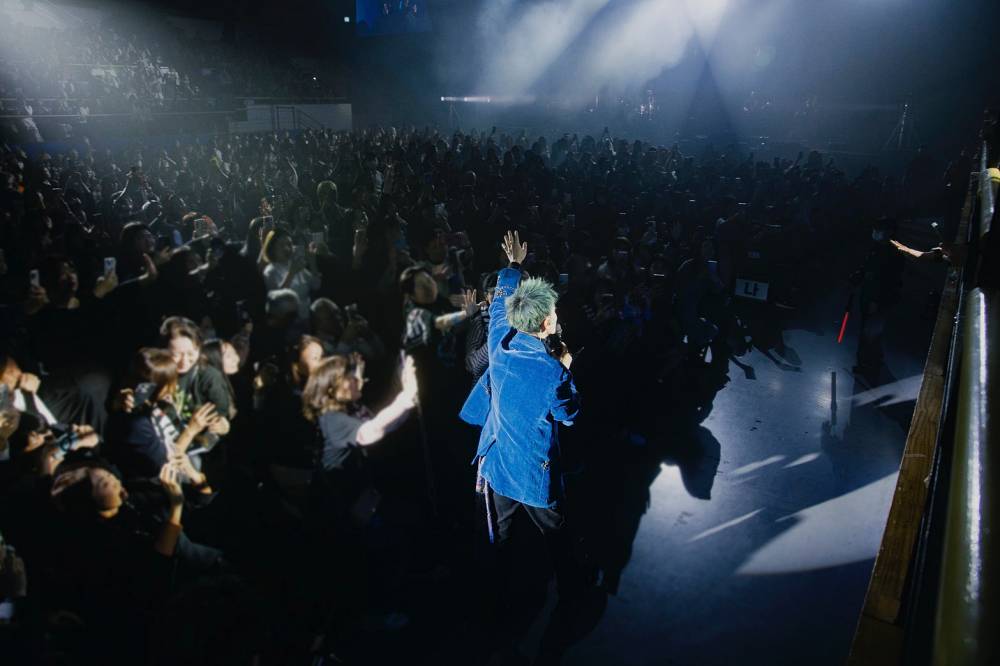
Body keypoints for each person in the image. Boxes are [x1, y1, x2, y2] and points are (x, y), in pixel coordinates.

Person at [459, 230, 584, 597]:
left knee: (499, 534)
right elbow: (568, 415)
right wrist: (566, 367)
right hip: (533, 475)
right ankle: (572, 591)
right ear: (545, 324)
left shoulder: (500, 339)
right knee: (555, 533)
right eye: (553, 314)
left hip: (499, 464)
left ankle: (496, 594)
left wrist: (513, 264)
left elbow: (500, 299)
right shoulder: (552, 372)